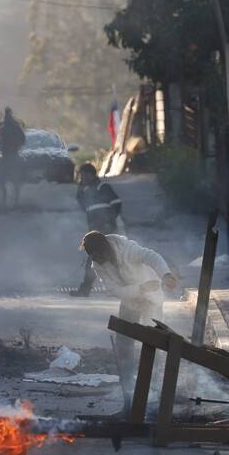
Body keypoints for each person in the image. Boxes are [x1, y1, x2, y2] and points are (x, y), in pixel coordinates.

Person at [78, 230, 177, 402]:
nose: (96, 261)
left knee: (154, 340)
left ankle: (153, 387)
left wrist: (165, 274)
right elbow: (114, 290)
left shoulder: (127, 249)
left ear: (105, 249)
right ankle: (127, 386)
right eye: (92, 257)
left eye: (97, 256)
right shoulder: (97, 265)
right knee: (123, 342)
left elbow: (151, 257)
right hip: (130, 300)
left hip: (151, 299)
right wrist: (140, 289)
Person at [70, 163, 124, 297]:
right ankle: (86, 290)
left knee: (108, 259)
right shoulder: (87, 192)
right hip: (94, 232)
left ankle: (86, 290)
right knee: (99, 259)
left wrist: (109, 222)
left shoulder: (103, 187)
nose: (82, 178)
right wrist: (80, 188)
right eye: (80, 176)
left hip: (106, 230)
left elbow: (117, 203)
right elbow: (82, 204)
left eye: (84, 175)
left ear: (91, 174)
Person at [0, 107, 26, 210]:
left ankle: (13, 202)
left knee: (12, 181)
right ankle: (6, 202)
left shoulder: (14, 127)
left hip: (12, 155)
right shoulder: (5, 127)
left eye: (8, 114)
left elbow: (22, 140)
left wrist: (15, 146)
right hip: (7, 156)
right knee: (3, 180)